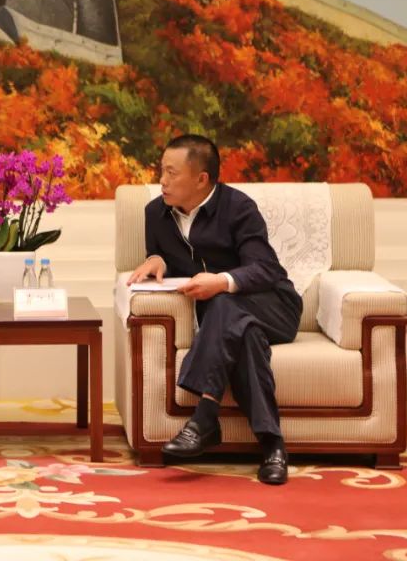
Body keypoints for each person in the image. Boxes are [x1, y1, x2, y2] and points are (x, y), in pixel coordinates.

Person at [127, 134, 301, 485]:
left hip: (274, 308)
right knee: (245, 337)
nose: (162, 180)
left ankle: (205, 417)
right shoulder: (155, 214)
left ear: (201, 179)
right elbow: (161, 254)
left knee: (224, 303)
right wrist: (157, 258)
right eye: (161, 170)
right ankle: (272, 445)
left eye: (171, 173)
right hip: (227, 325)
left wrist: (222, 282)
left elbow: (266, 269)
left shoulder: (238, 208)